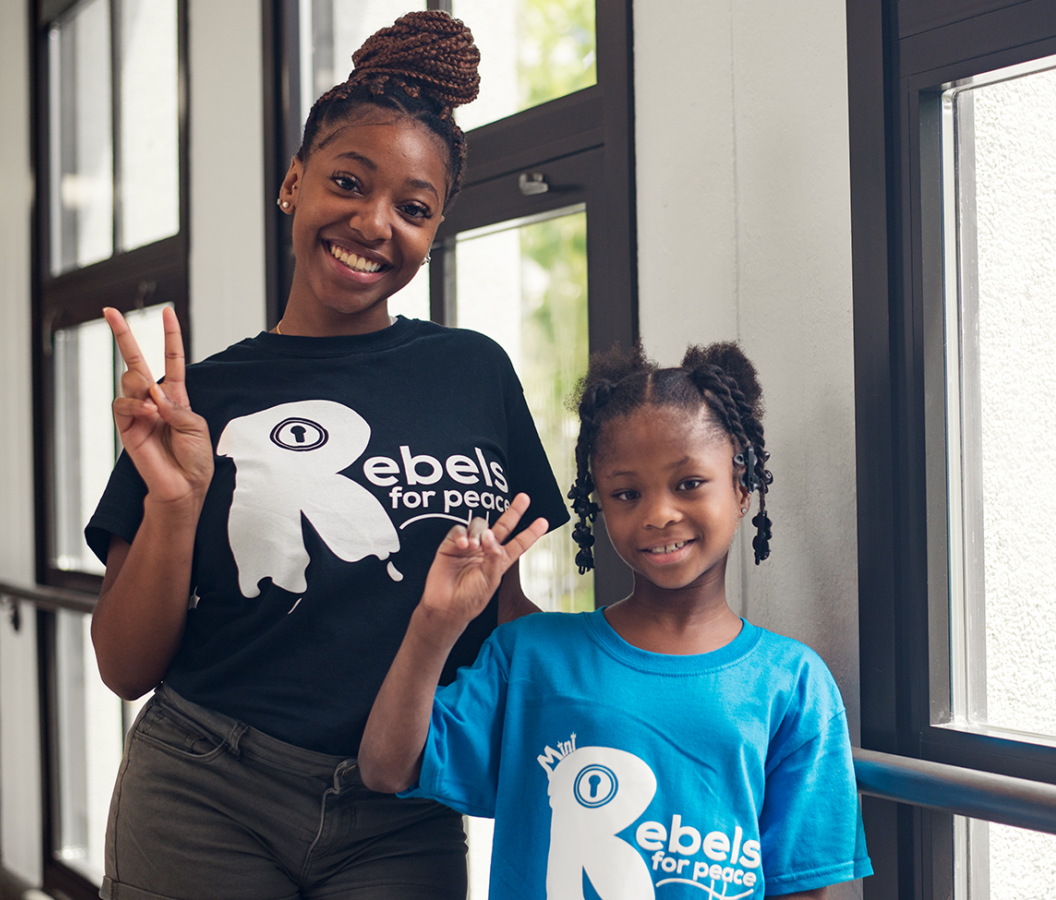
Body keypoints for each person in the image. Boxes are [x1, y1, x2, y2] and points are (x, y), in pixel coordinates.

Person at [85, 12, 568, 900]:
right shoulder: (202, 400)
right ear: (293, 183)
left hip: (406, 799)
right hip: (206, 789)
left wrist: (638, 669)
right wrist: (175, 506)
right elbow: (124, 667)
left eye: (413, 208)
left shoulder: (474, 372)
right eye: (348, 182)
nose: (374, 223)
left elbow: (504, 605)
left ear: (435, 228)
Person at [360, 343, 873, 900]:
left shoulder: (794, 683)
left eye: (689, 483)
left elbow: (803, 886)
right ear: (599, 503)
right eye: (626, 493)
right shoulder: (529, 656)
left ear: (742, 485)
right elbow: (387, 768)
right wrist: (435, 623)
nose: (658, 515)